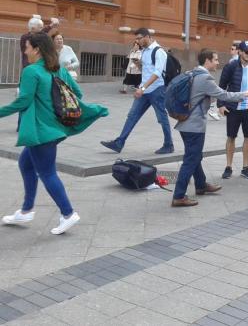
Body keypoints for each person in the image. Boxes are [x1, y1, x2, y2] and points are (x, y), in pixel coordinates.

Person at [1, 33, 107, 234]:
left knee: (47, 172)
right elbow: (78, 93)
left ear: (37, 49)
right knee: (26, 164)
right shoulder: (58, 69)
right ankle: (26, 210)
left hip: (42, 132)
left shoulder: (31, 71)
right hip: (55, 128)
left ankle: (68, 214)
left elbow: (22, 102)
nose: (25, 51)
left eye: (27, 47)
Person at [172, 49, 248, 207]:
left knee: (195, 156)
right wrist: (246, 94)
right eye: (216, 59)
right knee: (191, 159)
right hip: (194, 125)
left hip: (185, 123)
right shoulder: (205, 78)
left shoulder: (192, 73)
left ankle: (201, 185)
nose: (218, 63)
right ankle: (179, 195)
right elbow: (224, 95)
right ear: (207, 61)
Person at [100, 28, 174, 154]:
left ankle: (169, 145)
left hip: (157, 89)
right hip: (144, 90)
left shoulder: (159, 51)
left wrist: (142, 88)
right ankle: (119, 143)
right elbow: (147, 69)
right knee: (132, 116)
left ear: (147, 37)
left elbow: (157, 73)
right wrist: (140, 65)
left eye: (139, 38)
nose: (137, 41)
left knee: (162, 118)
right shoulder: (144, 51)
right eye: (136, 39)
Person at [218, 40, 248, 180]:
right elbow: (221, 87)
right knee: (231, 136)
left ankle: (245, 167)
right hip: (233, 107)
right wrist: (221, 104)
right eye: (247, 52)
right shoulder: (230, 67)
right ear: (240, 52)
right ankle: (228, 166)